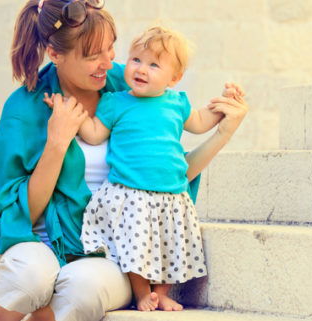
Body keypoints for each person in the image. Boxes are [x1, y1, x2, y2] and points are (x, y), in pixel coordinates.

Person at [0, 0, 249, 320]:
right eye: (93, 55)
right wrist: (57, 144)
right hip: (43, 241)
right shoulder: (26, 108)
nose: (109, 61)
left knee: (81, 289)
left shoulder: (129, 87)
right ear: (55, 54)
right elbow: (18, 211)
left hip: (114, 251)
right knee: (29, 276)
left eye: (110, 48)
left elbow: (166, 175)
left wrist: (223, 133)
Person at [43, 26, 244, 312]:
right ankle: (140, 293)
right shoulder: (116, 102)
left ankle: (161, 292)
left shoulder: (177, 102)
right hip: (130, 193)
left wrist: (227, 102)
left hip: (171, 194)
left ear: (174, 78)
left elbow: (200, 122)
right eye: (136, 60)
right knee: (133, 245)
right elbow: (95, 133)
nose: (141, 69)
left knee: (170, 244)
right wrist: (68, 114)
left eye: (153, 65)